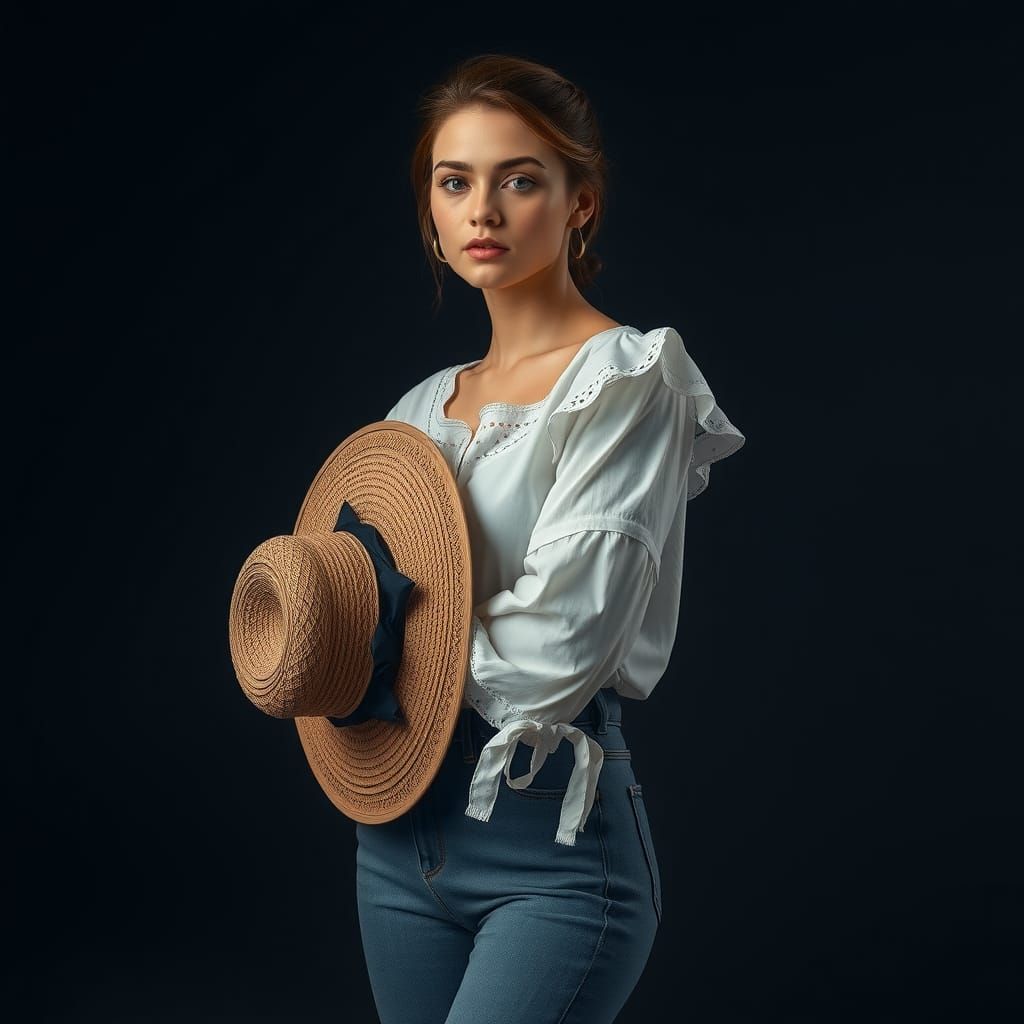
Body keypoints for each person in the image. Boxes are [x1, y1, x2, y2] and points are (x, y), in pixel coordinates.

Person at [354, 53, 745, 1024]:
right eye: (455, 183)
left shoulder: (626, 380)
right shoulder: (415, 412)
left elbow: (559, 649)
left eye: (518, 179)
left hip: (553, 854)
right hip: (393, 842)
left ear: (580, 203)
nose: (481, 209)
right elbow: (341, 611)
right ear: (432, 212)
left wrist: (388, 655)